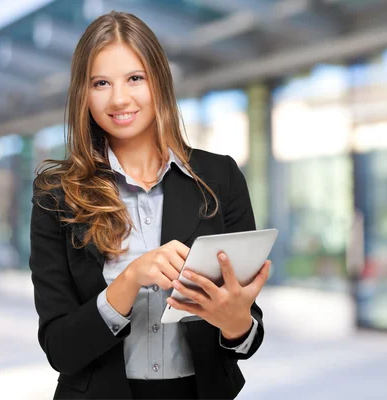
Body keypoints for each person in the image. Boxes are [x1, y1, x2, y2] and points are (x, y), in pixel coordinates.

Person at [28, 10, 270, 400]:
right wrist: (130, 279)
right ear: (83, 93)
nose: (119, 98)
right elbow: (60, 349)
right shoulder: (56, 194)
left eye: (135, 78)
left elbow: (247, 338)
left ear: (158, 80)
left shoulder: (220, 177)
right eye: (101, 83)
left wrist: (236, 321)